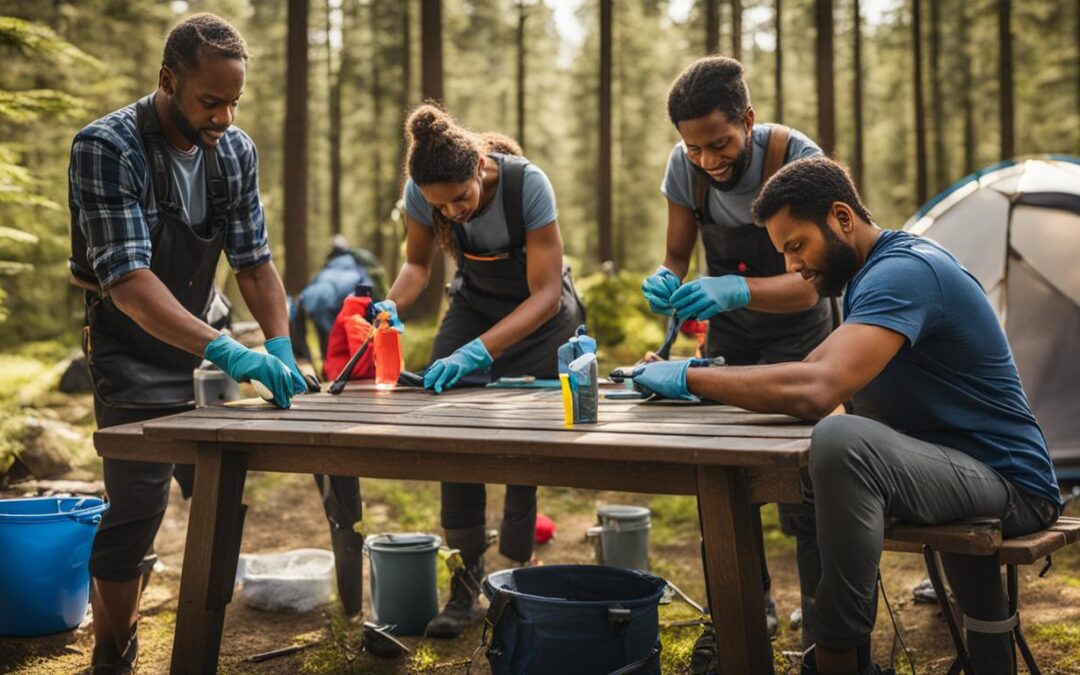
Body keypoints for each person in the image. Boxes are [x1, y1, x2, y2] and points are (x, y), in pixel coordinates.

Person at [633, 156, 1062, 675]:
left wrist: (691, 378)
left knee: (843, 441)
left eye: (796, 246)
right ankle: (980, 662)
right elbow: (810, 369)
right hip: (953, 466)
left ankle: (837, 656)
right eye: (784, 252)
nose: (791, 266)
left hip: (1011, 482)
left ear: (841, 217)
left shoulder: (904, 272)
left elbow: (817, 390)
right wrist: (694, 377)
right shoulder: (871, 277)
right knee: (838, 439)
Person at [67, 15, 365, 672]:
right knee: (137, 507)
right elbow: (130, 283)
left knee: (218, 485)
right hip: (129, 347)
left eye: (235, 101)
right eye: (211, 101)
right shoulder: (106, 147)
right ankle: (114, 647)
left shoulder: (234, 150)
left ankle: (200, 629)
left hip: (204, 341)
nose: (225, 116)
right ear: (167, 80)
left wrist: (281, 343)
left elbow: (254, 262)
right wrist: (230, 351)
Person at [641, 55, 830, 665]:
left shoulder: (799, 161)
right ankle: (742, 611)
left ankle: (825, 627)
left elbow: (813, 282)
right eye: (694, 148)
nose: (708, 161)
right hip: (729, 337)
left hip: (800, 332)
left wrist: (740, 286)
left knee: (805, 486)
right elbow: (676, 252)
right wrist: (665, 279)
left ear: (748, 119)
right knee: (720, 473)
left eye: (719, 143)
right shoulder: (686, 168)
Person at [374, 103, 584, 638]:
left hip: (543, 320)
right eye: (439, 207)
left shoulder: (527, 185)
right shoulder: (423, 195)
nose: (452, 214)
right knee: (450, 427)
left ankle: (511, 581)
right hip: (475, 305)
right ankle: (464, 585)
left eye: (461, 198)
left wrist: (477, 353)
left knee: (523, 442)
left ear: (481, 167)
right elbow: (419, 265)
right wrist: (392, 304)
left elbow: (544, 294)